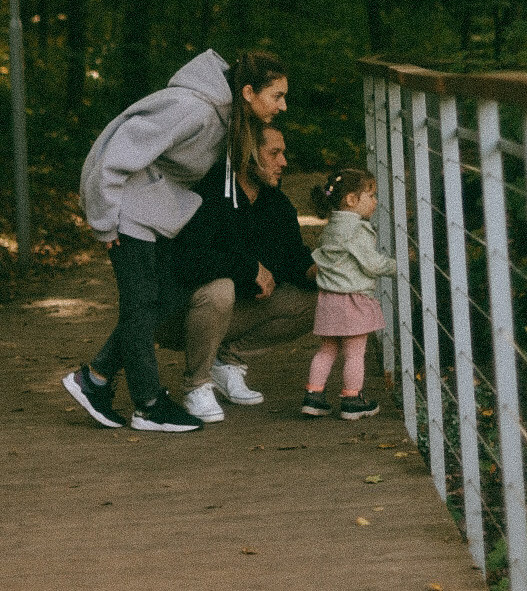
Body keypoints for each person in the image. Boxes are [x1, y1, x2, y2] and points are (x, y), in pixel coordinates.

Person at [63, 49, 288, 433]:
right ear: (248, 92)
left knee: (164, 295)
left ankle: (95, 379)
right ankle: (148, 404)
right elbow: (115, 152)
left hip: (153, 214)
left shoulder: (226, 117)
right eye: (277, 96)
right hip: (127, 212)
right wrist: (105, 220)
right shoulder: (194, 109)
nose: (283, 106)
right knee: (141, 303)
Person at [162, 123, 317, 423]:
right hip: (178, 315)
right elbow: (187, 260)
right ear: (247, 155)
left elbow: (295, 259)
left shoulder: (277, 204)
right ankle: (196, 384)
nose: (283, 162)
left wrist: (325, 274)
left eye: (283, 153)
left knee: (321, 301)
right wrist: (248, 267)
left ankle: (226, 360)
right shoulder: (209, 192)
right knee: (221, 289)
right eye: (274, 153)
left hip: (231, 316)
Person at [302, 165, 395, 421]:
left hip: (328, 300)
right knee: (355, 353)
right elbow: (373, 264)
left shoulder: (331, 228)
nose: (375, 201)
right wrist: (400, 266)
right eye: (371, 195)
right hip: (353, 299)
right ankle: (352, 399)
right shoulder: (358, 229)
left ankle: (314, 396)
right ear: (352, 200)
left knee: (326, 350)